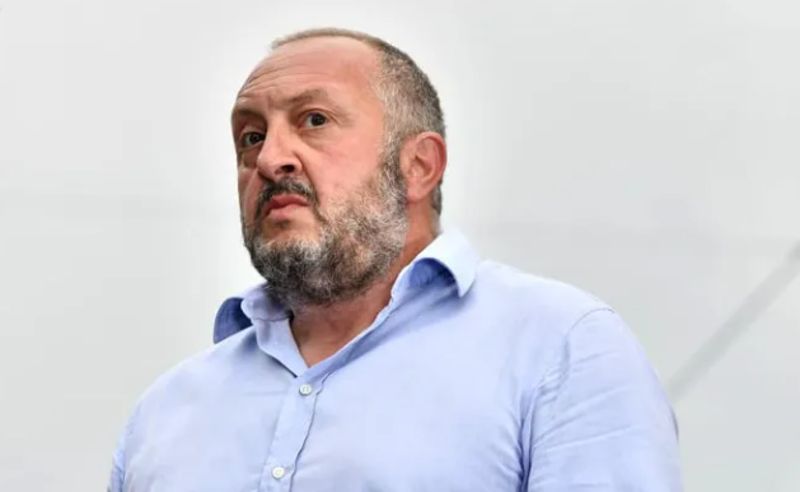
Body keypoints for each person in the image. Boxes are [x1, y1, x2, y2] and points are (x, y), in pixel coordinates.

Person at [107, 27, 682, 492]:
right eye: (251, 137)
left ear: (418, 166)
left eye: (314, 120)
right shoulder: (163, 413)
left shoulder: (559, 350)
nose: (270, 158)